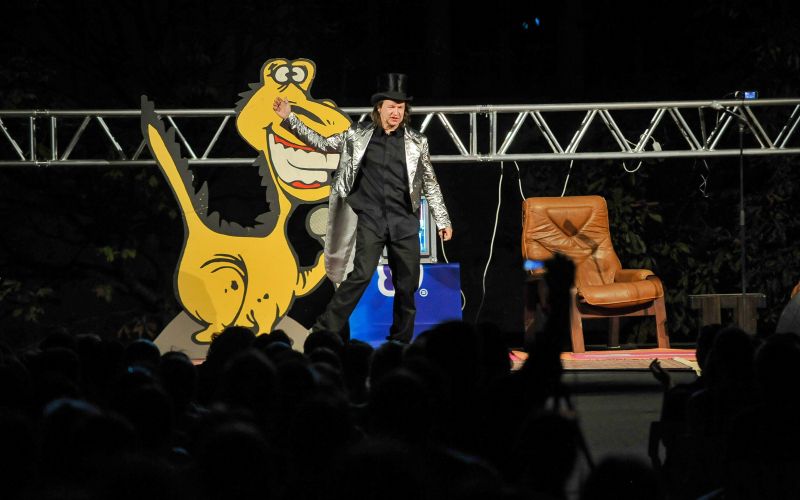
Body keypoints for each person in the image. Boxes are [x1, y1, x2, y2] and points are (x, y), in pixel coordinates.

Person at [273, 73, 452, 343]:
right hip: (371, 220)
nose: (396, 112)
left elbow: (430, 182)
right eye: (391, 107)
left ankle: (400, 341)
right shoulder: (357, 136)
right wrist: (290, 118)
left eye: (400, 107)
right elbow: (322, 143)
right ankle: (323, 332)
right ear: (379, 108)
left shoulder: (417, 141)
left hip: (404, 222)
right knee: (360, 275)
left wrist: (443, 220)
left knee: (407, 285)